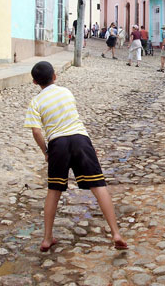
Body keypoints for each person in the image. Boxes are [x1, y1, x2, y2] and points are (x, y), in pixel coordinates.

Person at [24, 61, 128, 252]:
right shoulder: (66, 92)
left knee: (53, 191)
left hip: (57, 144)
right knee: (99, 186)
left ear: (34, 82)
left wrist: (45, 152)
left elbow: (37, 132)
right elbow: (74, 117)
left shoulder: (36, 101)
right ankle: (115, 233)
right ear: (55, 76)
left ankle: (47, 238)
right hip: (80, 140)